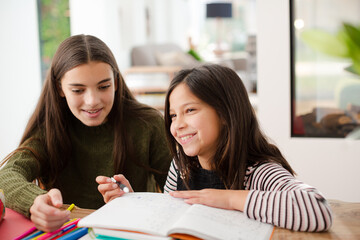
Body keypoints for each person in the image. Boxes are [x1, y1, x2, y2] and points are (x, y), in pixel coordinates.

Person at [0, 34, 171, 232]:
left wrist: (134, 201)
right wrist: (34, 202)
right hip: (69, 233)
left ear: (116, 81)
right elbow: (7, 174)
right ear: (60, 88)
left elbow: (177, 193)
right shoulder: (50, 128)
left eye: (104, 86)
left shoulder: (147, 124)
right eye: (78, 90)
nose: (92, 101)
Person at [162, 64, 333, 232]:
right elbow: (166, 217)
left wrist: (228, 199)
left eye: (190, 110)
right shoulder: (180, 166)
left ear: (225, 114)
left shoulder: (257, 172)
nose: (177, 125)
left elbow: (318, 209)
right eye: (173, 115)